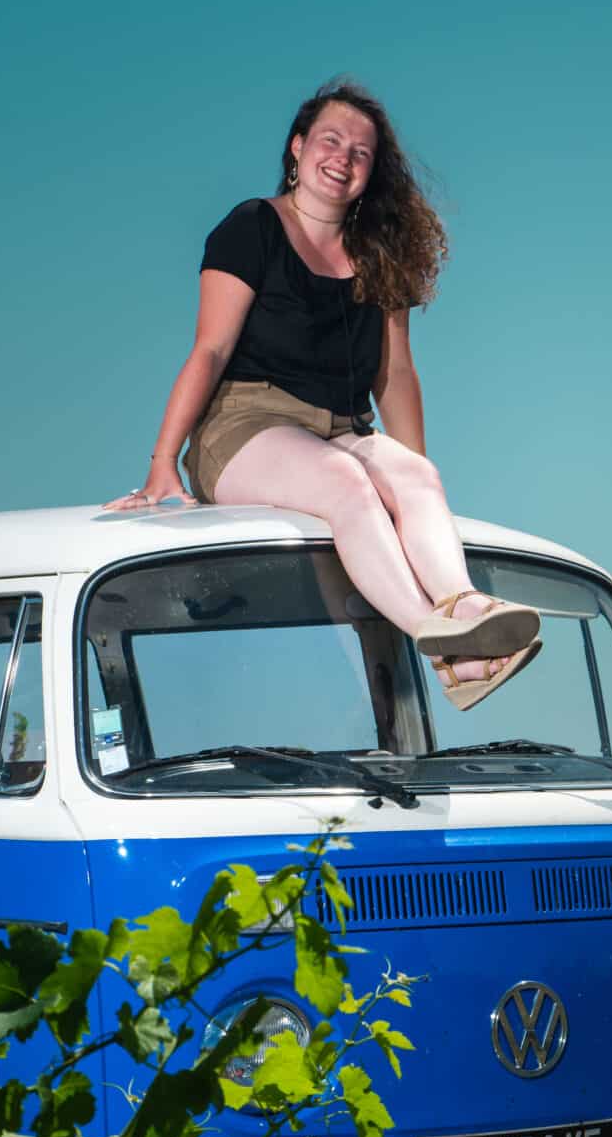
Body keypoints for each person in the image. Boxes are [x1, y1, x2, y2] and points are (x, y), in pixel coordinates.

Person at [106, 79, 541, 708]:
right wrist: (160, 465)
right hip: (246, 426)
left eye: (361, 152)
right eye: (331, 141)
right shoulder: (251, 226)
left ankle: (463, 606)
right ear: (297, 148)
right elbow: (211, 349)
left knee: (414, 476)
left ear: (372, 171)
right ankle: (441, 642)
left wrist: (413, 483)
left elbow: (394, 375)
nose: (343, 158)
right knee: (345, 485)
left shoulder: (380, 252)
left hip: (343, 428)